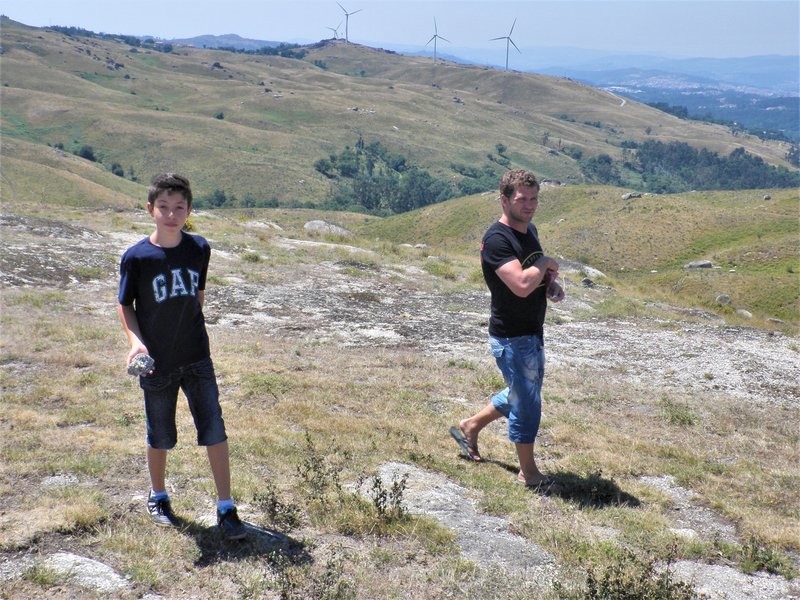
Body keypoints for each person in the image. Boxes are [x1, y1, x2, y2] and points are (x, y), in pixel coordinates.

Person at [117, 173, 246, 540]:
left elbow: (198, 296)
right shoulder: (137, 257)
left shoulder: (199, 248)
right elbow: (125, 305)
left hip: (196, 356)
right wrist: (135, 343)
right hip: (156, 361)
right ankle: (158, 496)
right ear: (150, 210)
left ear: (189, 210)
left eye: (179, 208)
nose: (171, 215)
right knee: (159, 433)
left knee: (214, 428)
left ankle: (226, 507)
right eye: (163, 207)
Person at [449, 169, 564, 487]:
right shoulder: (497, 239)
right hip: (511, 336)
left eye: (534, 199)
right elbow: (521, 284)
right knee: (527, 403)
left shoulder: (530, 231)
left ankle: (471, 425)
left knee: (523, 393)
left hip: (532, 332)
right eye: (521, 199)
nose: (529, 205)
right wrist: (545, 264)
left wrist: (550, 285)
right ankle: (529, 473)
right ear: (504, 200)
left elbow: (534, 281)